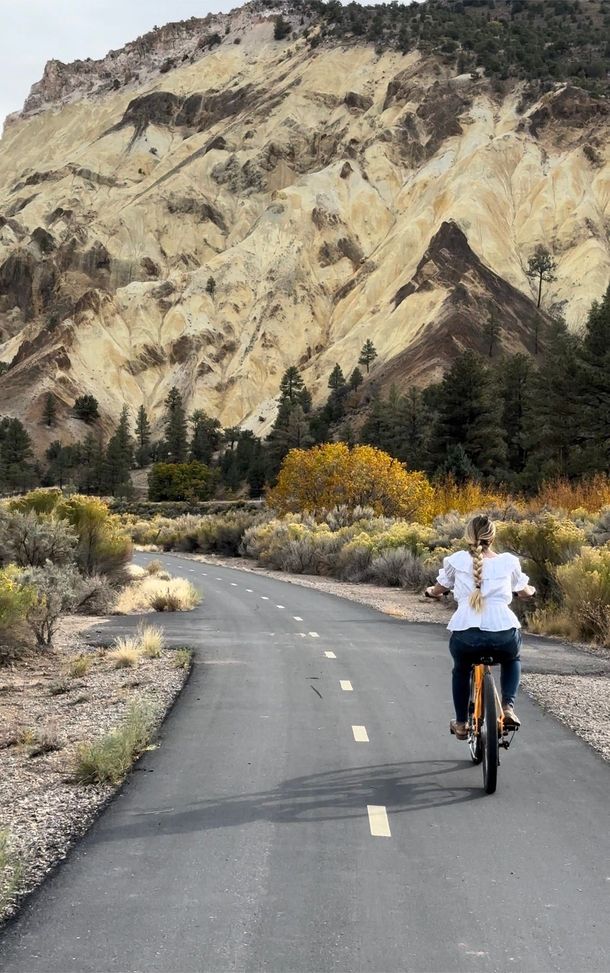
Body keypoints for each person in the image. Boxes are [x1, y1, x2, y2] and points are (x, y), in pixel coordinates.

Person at [425, 515, 536, 741]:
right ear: (492, 537)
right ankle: (507, 708)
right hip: (503, 633)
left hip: (467, 635)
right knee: (512, 658)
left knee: (461, 669)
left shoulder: (455, 561)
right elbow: (523, 590)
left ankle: (462, 723)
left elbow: (439, 588)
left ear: (468, 536)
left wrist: (431, 592)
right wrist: (530, 592)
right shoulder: (508, 562)